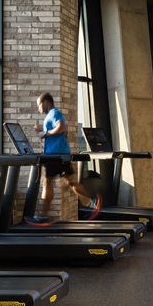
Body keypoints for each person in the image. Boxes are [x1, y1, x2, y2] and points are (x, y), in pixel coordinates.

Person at [29, 92, 102, 223]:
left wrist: (45, 133)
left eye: (39, 105)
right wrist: (43, 130)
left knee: (47, 182)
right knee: (71, 181)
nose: (39, 109)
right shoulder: (53, 115)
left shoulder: (54, 113)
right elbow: (63, 131)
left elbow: (61, 127)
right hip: (61, 154)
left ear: (46, 102)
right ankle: (91, 204)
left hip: (54, 155)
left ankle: (42, 215)